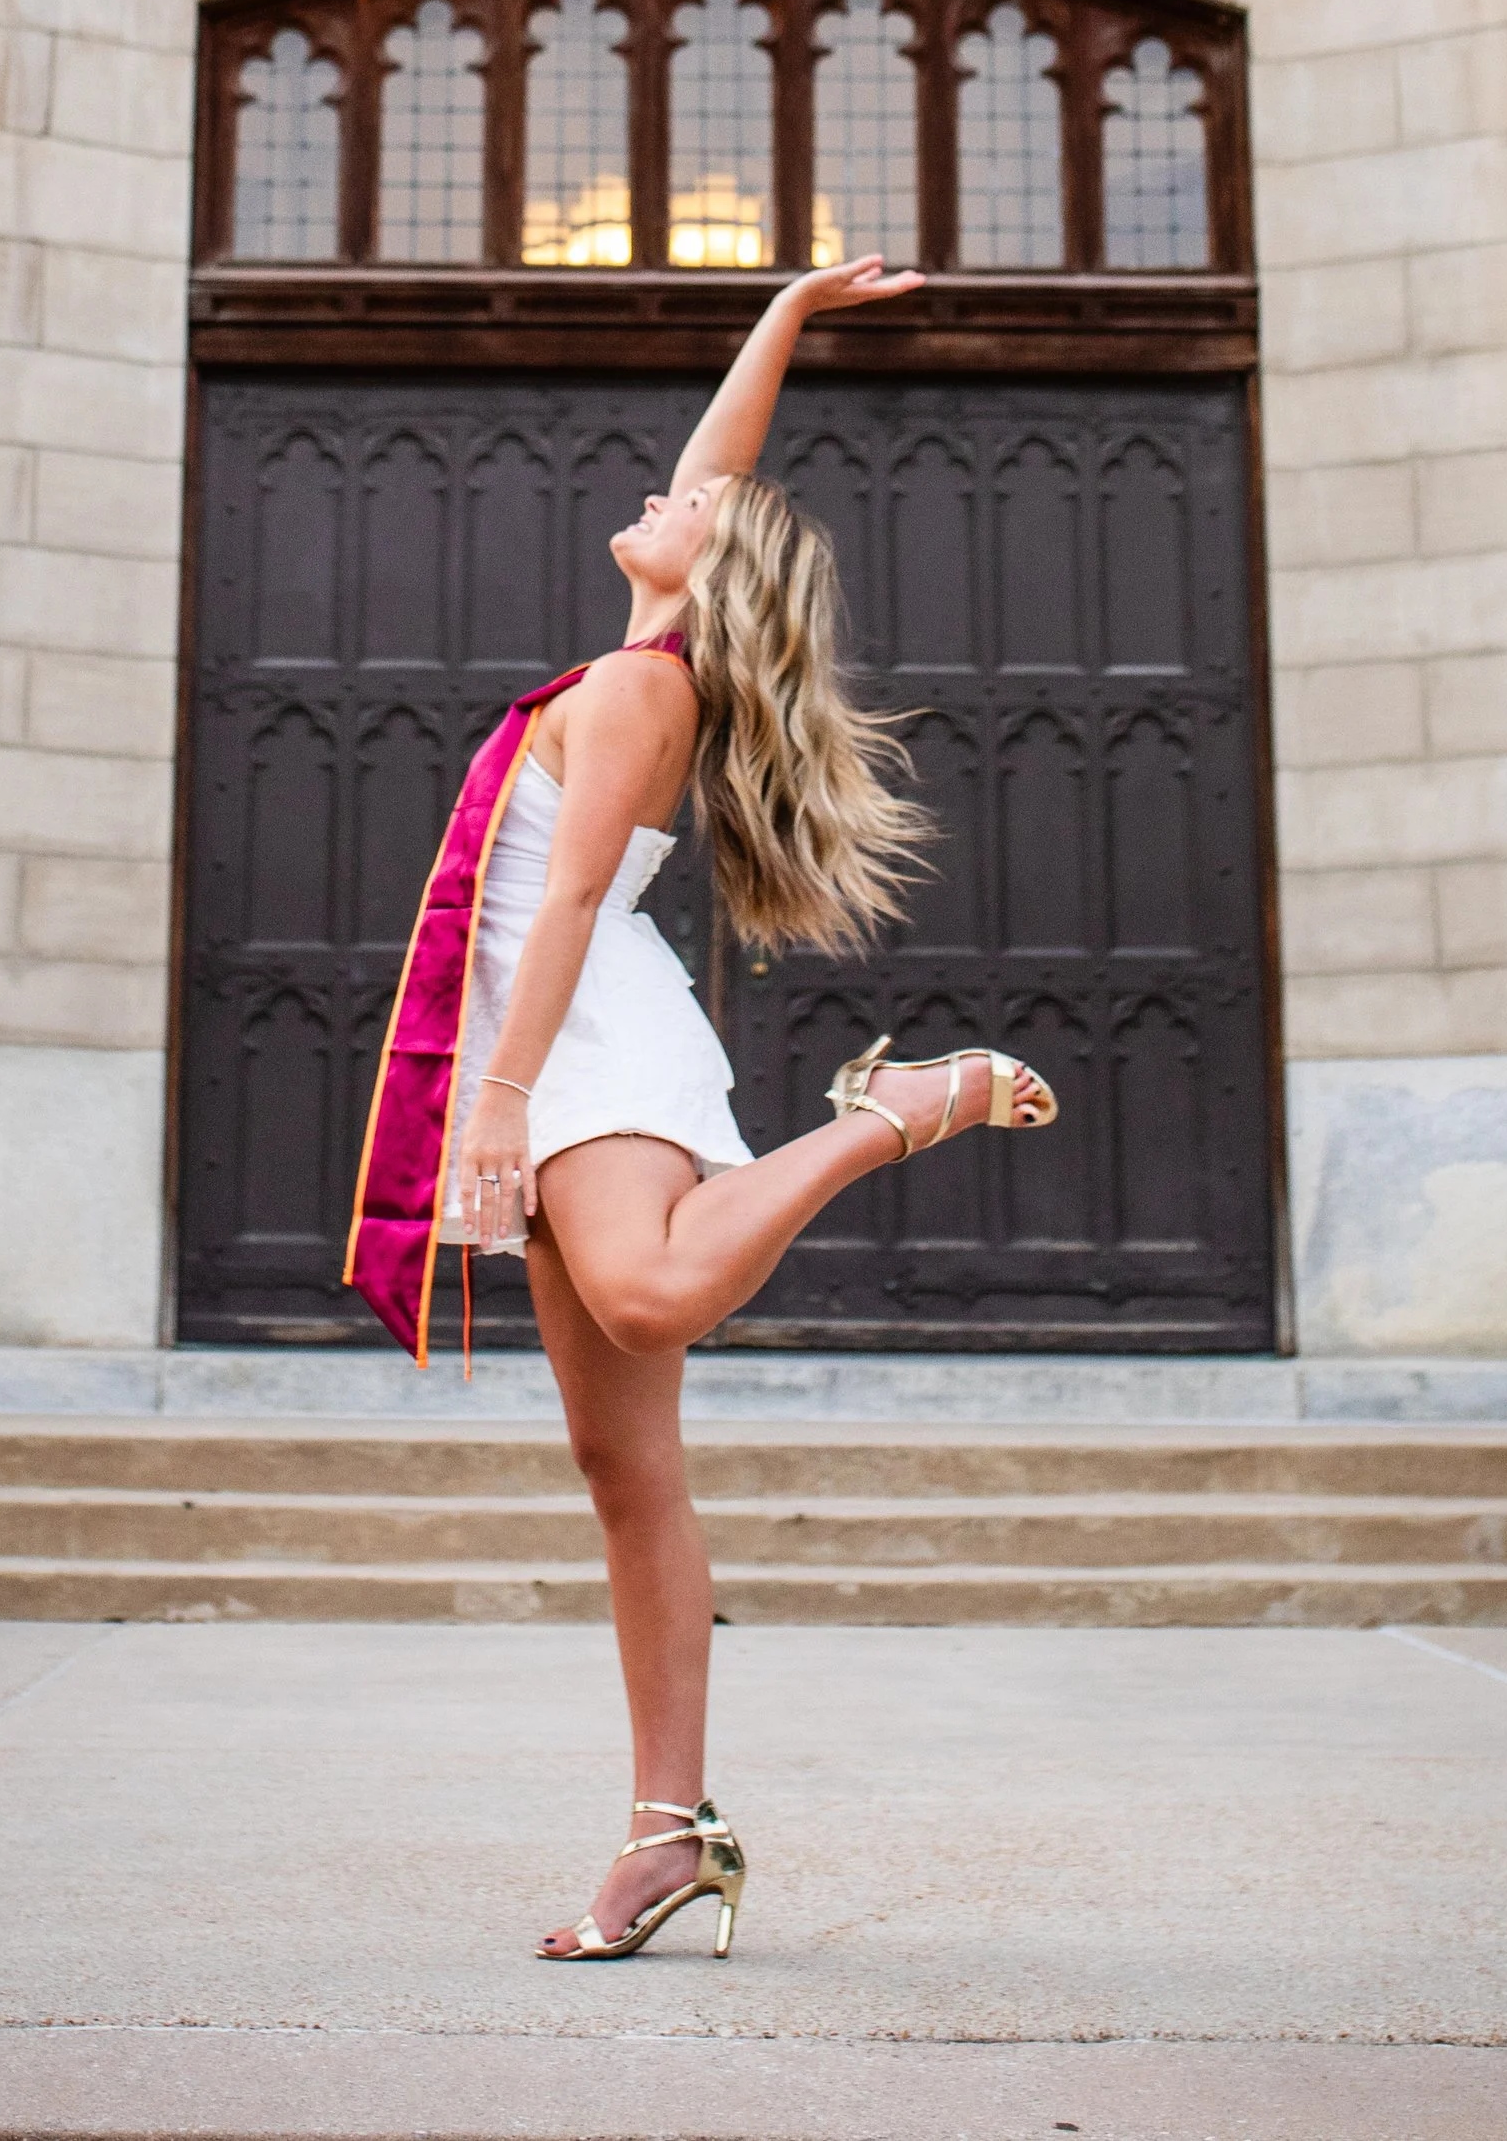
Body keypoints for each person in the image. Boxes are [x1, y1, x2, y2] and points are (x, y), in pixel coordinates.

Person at [348, 258, 1056, 1963]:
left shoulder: (637, 690)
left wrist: (499, 1105)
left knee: (652, 1287)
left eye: (683, 506)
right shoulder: (645, 660)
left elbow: (574, 906)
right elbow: (720, 469)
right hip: (563, 1032)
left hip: (584, 1041)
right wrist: (792, 314)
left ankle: (887, 1110)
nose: (658, 498)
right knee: (621, 1457)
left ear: (704, 566)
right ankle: (672, 1830)